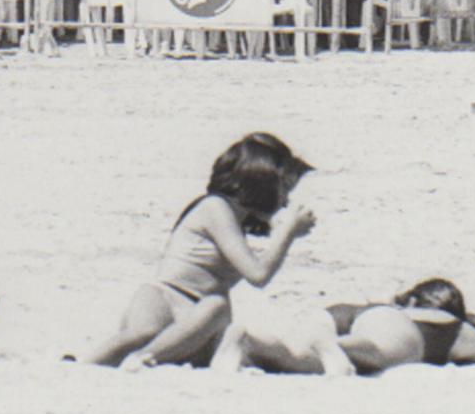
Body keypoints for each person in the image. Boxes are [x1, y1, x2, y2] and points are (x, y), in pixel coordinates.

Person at [76, 132, 317, 368]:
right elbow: (258, 274)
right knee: (144, 330)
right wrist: (287, 233)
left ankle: (143, 358)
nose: (285, 200)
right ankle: (87, 363)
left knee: (216, 306)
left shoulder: (234, 219)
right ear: (260, 183)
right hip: (165, 295)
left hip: (200, 319)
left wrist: (281, 232)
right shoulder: (215, 208)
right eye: (284, 189)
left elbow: (253, 270)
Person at [213, 278, 475, 376]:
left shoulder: (391, 306)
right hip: (382, 327)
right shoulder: (450, 325)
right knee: (379, 351)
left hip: (338, 314)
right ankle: (333, 345)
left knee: (297, 356)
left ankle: (248, 340)